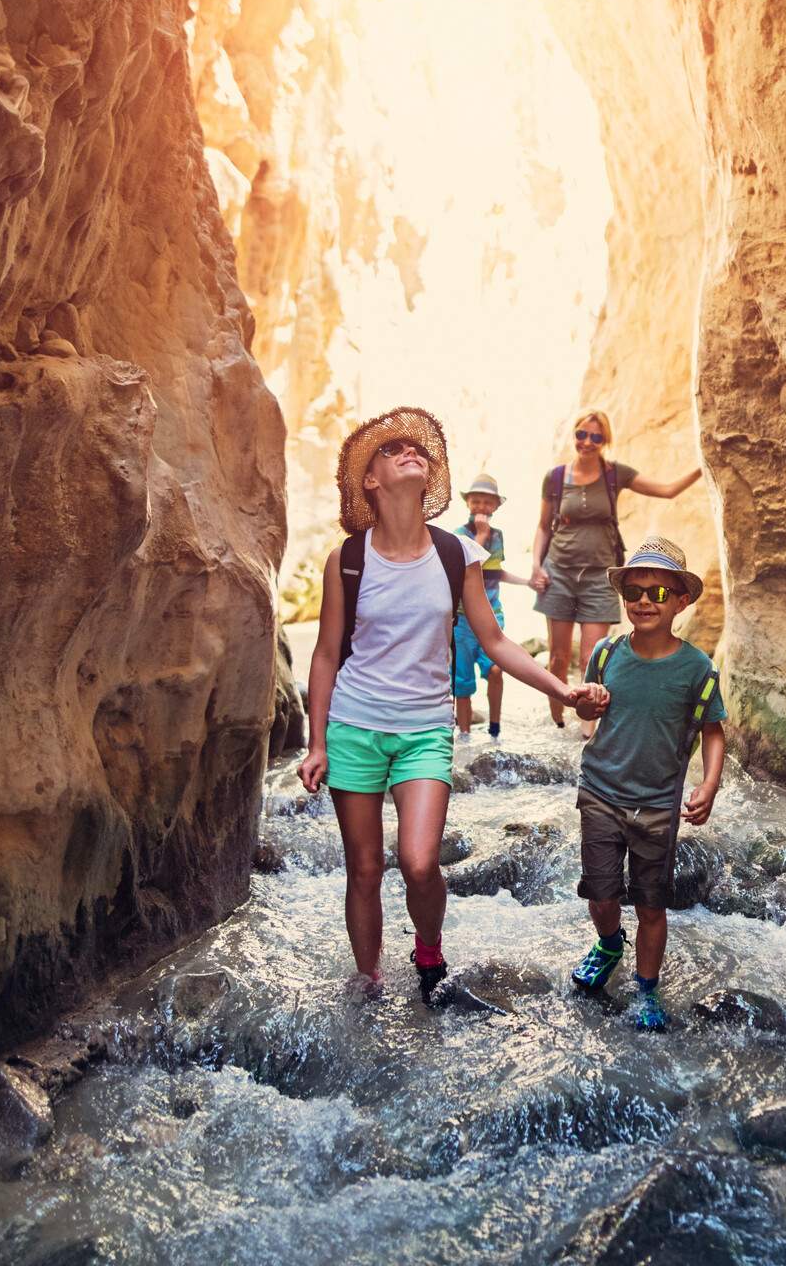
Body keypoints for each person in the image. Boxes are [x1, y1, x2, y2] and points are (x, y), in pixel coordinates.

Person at [299, 407, 602, 1003]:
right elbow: (326, 653)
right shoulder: (348, 558)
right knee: (363, 870)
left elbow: (493, 640)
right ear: (371, 480)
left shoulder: (456, 553)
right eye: (393, 451)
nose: (410, 452)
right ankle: (369, 983)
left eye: (418, 449)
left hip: (424, 730)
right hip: (354, 725)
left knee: (417, 861)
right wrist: (315, 742)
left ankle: (428, 950)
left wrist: (559, 689)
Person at [566, 537, 727, 1032]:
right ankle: (610, 942)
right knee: (601, 894)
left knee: (652, 904)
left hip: (657, 805)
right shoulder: (607, 651)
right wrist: (585, 706)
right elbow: (587, 713)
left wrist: (710, 784)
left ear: (681, 601)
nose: (643, 601)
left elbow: (713, 730)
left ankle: (648, 990)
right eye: (634, 591)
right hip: (599, 791)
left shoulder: (697, 668)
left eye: (658, 594)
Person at [530, 408, 703, 738]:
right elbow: (542, 527)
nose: (587, 442)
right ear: (575, 435)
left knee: (591, 659)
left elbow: (667, 490)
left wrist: (705, 462)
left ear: (605, 440)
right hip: (559, 574)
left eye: (596, 437)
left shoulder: (614, 474)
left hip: (599, 576)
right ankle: (557, 724)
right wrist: (536, 566)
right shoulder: (554, 478)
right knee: (557, 657)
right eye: (582, 434)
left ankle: (586, 734)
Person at [451, 472, 529, 744]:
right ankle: (464, 736)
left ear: (495, 507)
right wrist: (480, 535)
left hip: (492, 615)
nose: (481, 507)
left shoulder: (498, 537)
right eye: (476, 502)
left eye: (487, 502)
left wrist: (527, 582)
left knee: (496, 670)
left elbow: (494, 572)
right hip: (461, 620)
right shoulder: (459, 535)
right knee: (462, 681)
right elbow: (462, 567)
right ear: (468, 504)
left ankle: (495, 731)